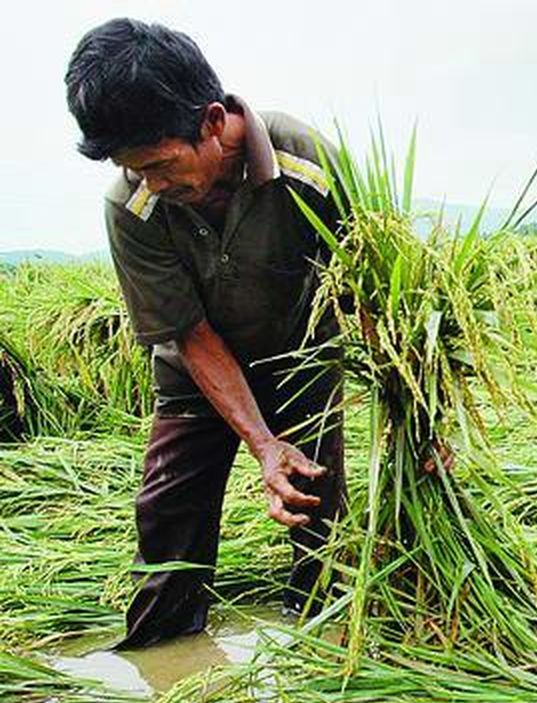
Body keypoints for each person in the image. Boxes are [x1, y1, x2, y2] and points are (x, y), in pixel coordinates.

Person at [64, 18, 345, 648]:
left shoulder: (307, 160)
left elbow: (370, 284)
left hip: (302, 362)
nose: (153, 185)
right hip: (197, 374)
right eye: (135, 170)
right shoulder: (131, 205)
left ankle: (325, 659)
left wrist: (418, 416)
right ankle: (162, 660)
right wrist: (261, 444)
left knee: (321, 527)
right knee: (169, 522)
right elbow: (187, 334)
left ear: (213, 122)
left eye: (162, 165)